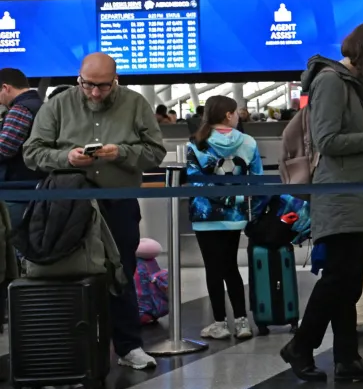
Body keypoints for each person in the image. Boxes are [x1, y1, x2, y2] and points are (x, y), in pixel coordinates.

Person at [280, 22, 363, 383]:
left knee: (350, 281)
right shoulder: (330, 82)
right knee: (339, 278)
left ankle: (346, 357)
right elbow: (328, 140)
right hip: (339, 193)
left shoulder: (357, 82)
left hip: (360, 191)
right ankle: (301, 345)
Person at [23, 53, 167, 371]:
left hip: (118, 202)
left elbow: (156, 151)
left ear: (115, 80)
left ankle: (129, 346)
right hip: (68, 206)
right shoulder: (58, 105)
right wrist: (66, 158)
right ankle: (70, 347)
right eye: (88, 85)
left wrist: (122, 153)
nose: (95, 93)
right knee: (67, 271)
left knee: (122, 271)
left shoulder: (134, 104)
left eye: (103, 86)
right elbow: (31, 152)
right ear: (79, 78)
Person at [185, 95, 262, 340]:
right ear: (228, 115)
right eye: (236, 112)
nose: (238, 116)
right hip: (235, 215)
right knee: (231, 266)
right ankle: (242, 323)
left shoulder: (196, 143)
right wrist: (238, 200)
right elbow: (257, 178)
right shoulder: (248, 142)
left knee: (213, 268)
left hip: (204, 214)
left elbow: (194, 180)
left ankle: (219, 323)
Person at [0, 68, 43, 230]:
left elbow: (4, 148)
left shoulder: (20, 108)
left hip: (16, 189)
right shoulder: (39, 105)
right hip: (33, 186)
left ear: (5, 88)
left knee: (13, 241)